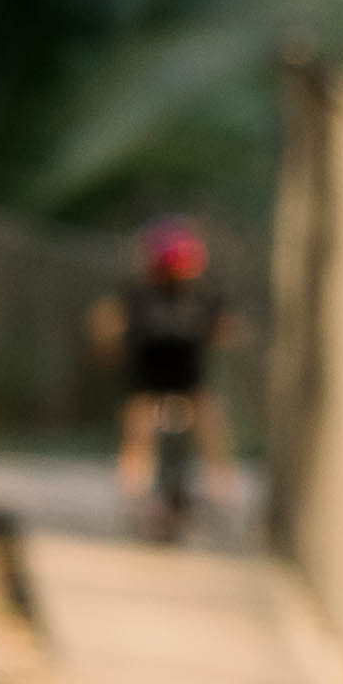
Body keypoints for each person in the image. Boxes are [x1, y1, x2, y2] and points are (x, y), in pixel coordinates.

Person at [93, 218, 239, 542]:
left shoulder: (205, 294)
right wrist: (109, 342)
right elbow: (107, 320)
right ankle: (132, 495)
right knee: (138, 432)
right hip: (147, 378)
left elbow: (225, 327)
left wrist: (223, 334)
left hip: (188, 378)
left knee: (211, 424)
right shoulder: (139, 292)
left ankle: (222, 493)